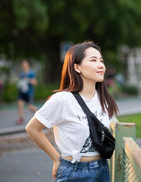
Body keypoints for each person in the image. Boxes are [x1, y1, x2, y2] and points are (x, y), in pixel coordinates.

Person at [26, 41, 118, 182]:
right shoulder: (62, 99)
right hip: (74, 172)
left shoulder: (104, 99)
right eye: (93, 60)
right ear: (77, 67)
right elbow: (32, 128)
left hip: (102, 169)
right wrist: (56, 159)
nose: (101, 65)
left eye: (101, 60)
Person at [16, 60, 37, 124]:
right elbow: (22, 82)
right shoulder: (22, 73)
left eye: (25, 64)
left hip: (29, 93)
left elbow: (35, 82)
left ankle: (41, 115)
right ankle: (21, 118)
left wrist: (29, 80)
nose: (24, 66)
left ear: (28, 65)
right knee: (20, 104)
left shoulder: (31, 73)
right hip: (22, 92)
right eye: (23, 64)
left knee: (31, 107)